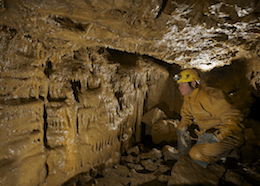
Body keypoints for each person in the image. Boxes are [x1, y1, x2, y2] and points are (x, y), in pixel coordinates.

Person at [174, 69, 245, 168]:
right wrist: (183, 128)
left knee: (196, 153)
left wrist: (217, 136)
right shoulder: (189, 97)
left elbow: (234, 118)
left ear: (193, 84)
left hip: (230, 135)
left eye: (183, 84)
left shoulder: (210, 96)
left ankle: (228, 156)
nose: (179, 87)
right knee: (181, 130)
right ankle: (183, 160)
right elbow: (186, 116)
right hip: (208, 133)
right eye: (179, 84)